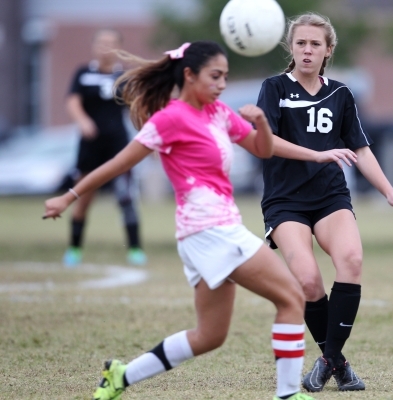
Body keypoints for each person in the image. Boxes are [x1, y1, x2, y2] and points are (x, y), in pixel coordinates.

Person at [44, 41, 314, 400]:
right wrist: (70, 195)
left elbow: (262, 149)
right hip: (211, 229)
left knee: (209, 336)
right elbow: (117, 164)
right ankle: (288, 394)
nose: (221, 84)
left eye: (225, 77)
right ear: (189, 74)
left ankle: (120, 376)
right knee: (292, 297)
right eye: (214, 76)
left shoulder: (218, 112)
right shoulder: (169, 118)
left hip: (204, 233)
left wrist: (262, 122)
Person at [256, 13, 393, 393]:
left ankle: (329, 359)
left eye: (315, 44)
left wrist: (389, 192)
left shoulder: (341, 93)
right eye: (300, 43)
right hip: (286, 201)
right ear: (291, 49)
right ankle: (340, 364)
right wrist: (315, 155)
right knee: (309, 280)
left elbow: (361, 149)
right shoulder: (274, 88)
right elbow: (265, 143)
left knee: (352, 261)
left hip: (330, 196)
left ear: (328, 50)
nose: (307, 51)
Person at [63, 28, 146, 267]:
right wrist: (83, 121)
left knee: (126, 197)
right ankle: (74, 249)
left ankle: (135, 250)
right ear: (93, 46)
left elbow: (136, 108)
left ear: (119, 48)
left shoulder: (125, 78)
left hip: (118, 145)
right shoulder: (83, 73)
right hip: (90, 146)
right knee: (83, 195)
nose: (105, 47)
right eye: (101, 42)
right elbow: (72, 101)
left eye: (111, 43)